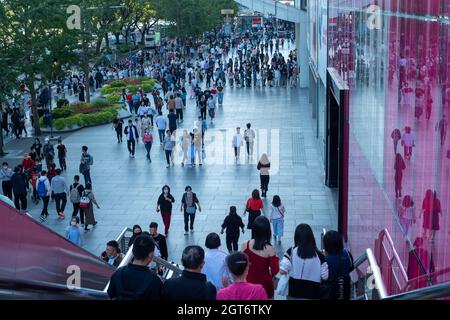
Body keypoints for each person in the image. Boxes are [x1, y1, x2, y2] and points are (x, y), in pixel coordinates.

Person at [279, 224, 328, 299]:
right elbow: (325, 276)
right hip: (312, 294)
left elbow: (282, 271)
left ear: (296, 237)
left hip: (293, 293)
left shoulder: (291, 251)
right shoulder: (320, 256)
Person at [107, 235, 163, 300]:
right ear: (150, 255)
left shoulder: (118, 273)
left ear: (133, 252)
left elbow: (110, 295)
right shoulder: (155, 281)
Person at [240, 216, 279, 299]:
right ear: (267, 231)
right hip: (265, 285)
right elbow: (275, 270)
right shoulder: (270, 249)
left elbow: (240, 264)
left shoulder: (245, 245)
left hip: (249, 282)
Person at [321, 231, 354, 300]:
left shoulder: (325, 259)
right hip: (345, 285)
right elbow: (351, 267)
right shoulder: (346, 253)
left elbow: (324, 276)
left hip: (331, 289)